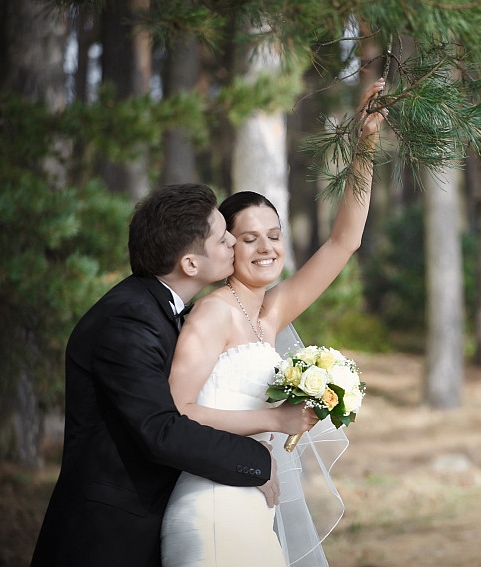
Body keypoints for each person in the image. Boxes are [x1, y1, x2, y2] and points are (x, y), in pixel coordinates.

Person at [160, 79, 387, 567]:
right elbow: (176, 412)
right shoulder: (214, 312)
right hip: (212, 509)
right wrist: (274, 420)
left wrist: (365, 142)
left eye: (274, 235)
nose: (266, 248)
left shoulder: (270, 312)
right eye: (249, 238)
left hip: (250, 504)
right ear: (226, 246)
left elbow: (344, 240)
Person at [30, 183, 316, 567]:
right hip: (106, 537)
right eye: (223, 238)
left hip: (152, 520)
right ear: (191, 264)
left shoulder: (160, 310)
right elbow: (160, 429)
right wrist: (257, 460)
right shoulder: (128, 319)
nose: (234, 242)